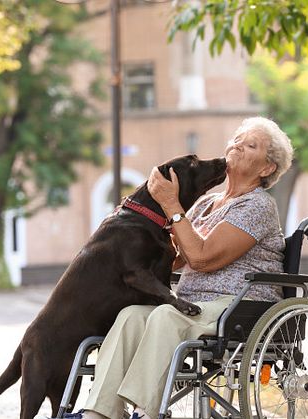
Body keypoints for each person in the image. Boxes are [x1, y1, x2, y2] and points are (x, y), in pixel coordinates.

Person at [70, 117, 294, 419]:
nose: (238, 144)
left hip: (238, 305)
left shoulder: (258, 205)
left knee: (165, 316)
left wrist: (172, 206)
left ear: (267, 168)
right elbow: (178, 257)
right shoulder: (205, 204)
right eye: (237, 138)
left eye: (251, 144)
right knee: (130, 317)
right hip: (193, 306)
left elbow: (202, 257)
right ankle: (99, 413)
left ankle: (145, 412)